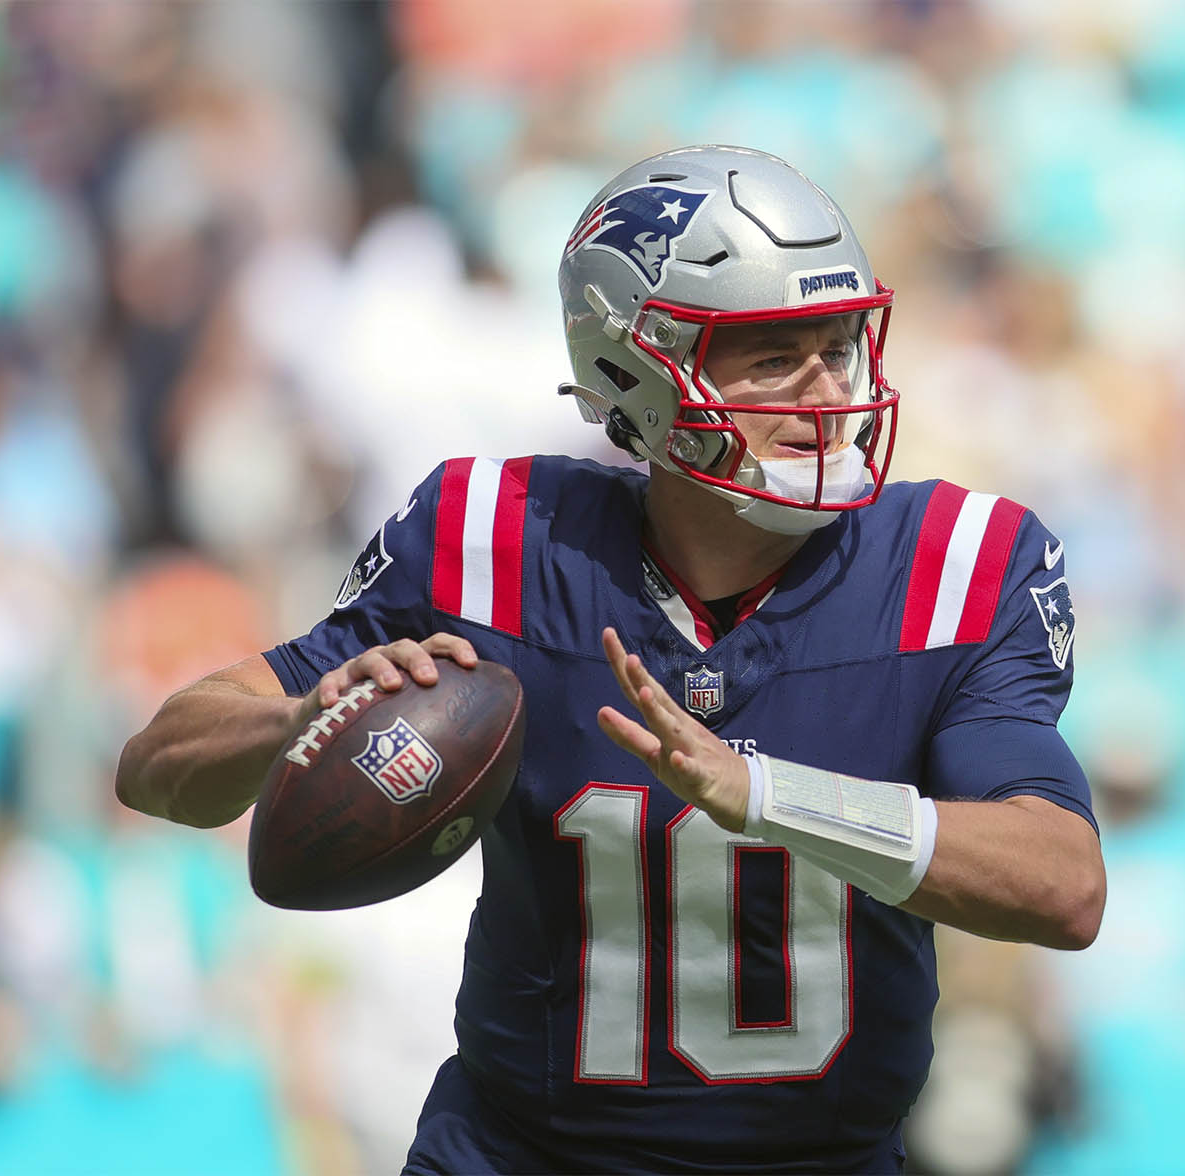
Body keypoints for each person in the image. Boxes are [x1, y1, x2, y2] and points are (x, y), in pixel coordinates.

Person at [117, 145, 1106, 1173]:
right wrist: (300, 717)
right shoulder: (495, 540)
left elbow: (1060, 885)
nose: (824, 390)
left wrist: (763, 794)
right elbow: (157, 769)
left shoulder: (954, 564)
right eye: (770, 354)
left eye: (838, 343)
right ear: (633, 368)